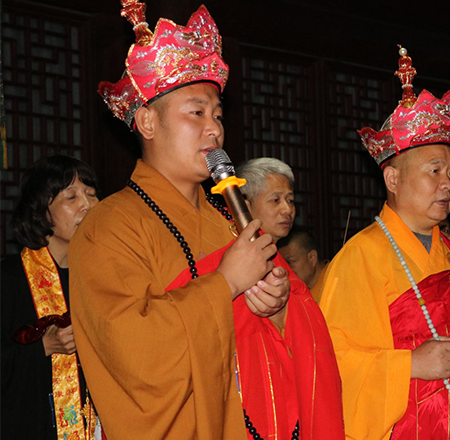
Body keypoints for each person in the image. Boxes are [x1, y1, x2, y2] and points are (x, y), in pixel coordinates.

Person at [69, 3, 291, 439]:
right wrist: (225, 284)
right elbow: (132, 352)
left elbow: (272, 350)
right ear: (148, 121)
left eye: (219, 115)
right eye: (197, 113)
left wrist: (275, 305)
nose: (215, 131)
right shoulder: (107, 227)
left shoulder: (230, 223)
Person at [319, 46, 450, 440]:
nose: (448, 184)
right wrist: (408, 365)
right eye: (433, 171)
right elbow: (332, 363)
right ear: (393, 180)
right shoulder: (362, 257)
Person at [235, 156, 345, 437]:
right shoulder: (234, 262)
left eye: (291, 200)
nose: (287, 210)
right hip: (257, 399)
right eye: (275, 200)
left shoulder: (280, 266)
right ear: (245, 204)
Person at [1, 155, 100, 440]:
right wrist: (44, 347)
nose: (87, 205)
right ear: (41, 212)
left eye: (92, 194)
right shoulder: (9, 279)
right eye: (71, 197)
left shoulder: (104, 275)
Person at [277, 229, 329, 302]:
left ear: (312, 257)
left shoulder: (335, 281)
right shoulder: (293, 292)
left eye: (289, 262)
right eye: (283, 264)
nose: (285, 270)